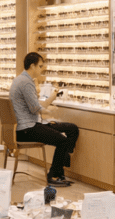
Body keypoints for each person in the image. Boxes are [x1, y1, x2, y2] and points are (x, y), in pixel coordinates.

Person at [9, 52, 80, 187]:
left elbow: (37, 105)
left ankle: (62, 161)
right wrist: (50, 112)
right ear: (32, 66)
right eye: (40, 66)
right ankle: (53, 175)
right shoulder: (26, 82)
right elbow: (36, 108)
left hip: (28, 126)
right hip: (27, 129)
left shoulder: (20, 80)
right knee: (62, 141)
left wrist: (52, 99)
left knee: (72, 129)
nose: (42, 69)